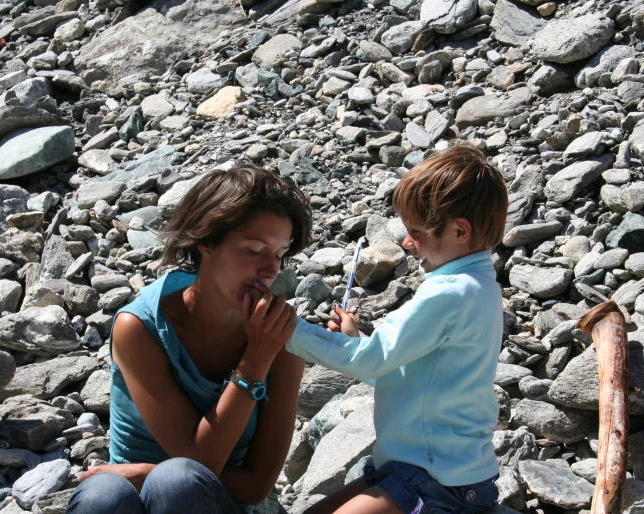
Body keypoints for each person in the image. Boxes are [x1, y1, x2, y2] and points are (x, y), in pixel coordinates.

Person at [66, 165, 313, 514]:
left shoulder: (277, 340)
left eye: (279, 254)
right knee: (101, 495)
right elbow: (195, 455)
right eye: (254, 250)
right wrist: (257, 358)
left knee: (174, 482)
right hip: (130, 499)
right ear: (206, 241)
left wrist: (259, 356)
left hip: (215, 503)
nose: (271, 271)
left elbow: (255, 485)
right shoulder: (141, 328)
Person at [286, 142, 509, 514]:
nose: (407, 242)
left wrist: (287, 330)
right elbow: (417, 378)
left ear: (459, 231)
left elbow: (372, 363)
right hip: (445, 473)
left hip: (434, 479)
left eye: (417, 232)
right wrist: (356, 339)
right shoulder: (480, 285)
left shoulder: (449, 292)